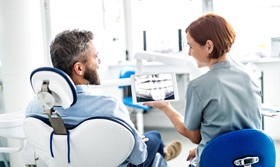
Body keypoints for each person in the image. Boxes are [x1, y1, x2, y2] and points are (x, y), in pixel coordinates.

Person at [25, 29, 182, 167]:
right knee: (154, 137)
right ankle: (164, 154)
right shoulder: (110, 106)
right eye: (95, 56)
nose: (99, 61)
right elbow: (138, 157)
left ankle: (163, 153)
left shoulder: (35, 107)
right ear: (79, 68)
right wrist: (137, 141)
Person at [143, 13, 262, 167]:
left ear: (209, 46)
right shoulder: (251, 77)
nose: (189, 53)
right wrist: (201, 150)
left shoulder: (198, 86)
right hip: (251, 159)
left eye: (191, 46)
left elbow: (194, 136)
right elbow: (236, 132)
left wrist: (166, 107)